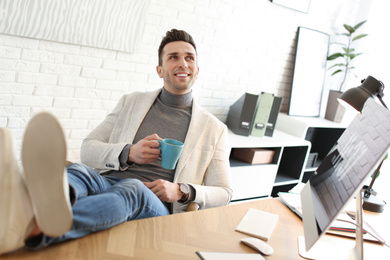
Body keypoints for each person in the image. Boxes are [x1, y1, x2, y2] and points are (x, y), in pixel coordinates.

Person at [0, 29, 232, 255]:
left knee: (132, 188)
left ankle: (31, 227)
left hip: (153, 204)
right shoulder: (131, 103)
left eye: (189, 58)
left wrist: (181, 191)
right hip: (106, 182)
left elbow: (224, 192)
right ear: (160, 70)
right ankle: (26, 207)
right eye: (173, 57)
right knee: (79, 171)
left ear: (197, 70)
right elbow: (88, 148)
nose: (183, 63)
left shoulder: (214, 129)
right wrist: (129, 153)